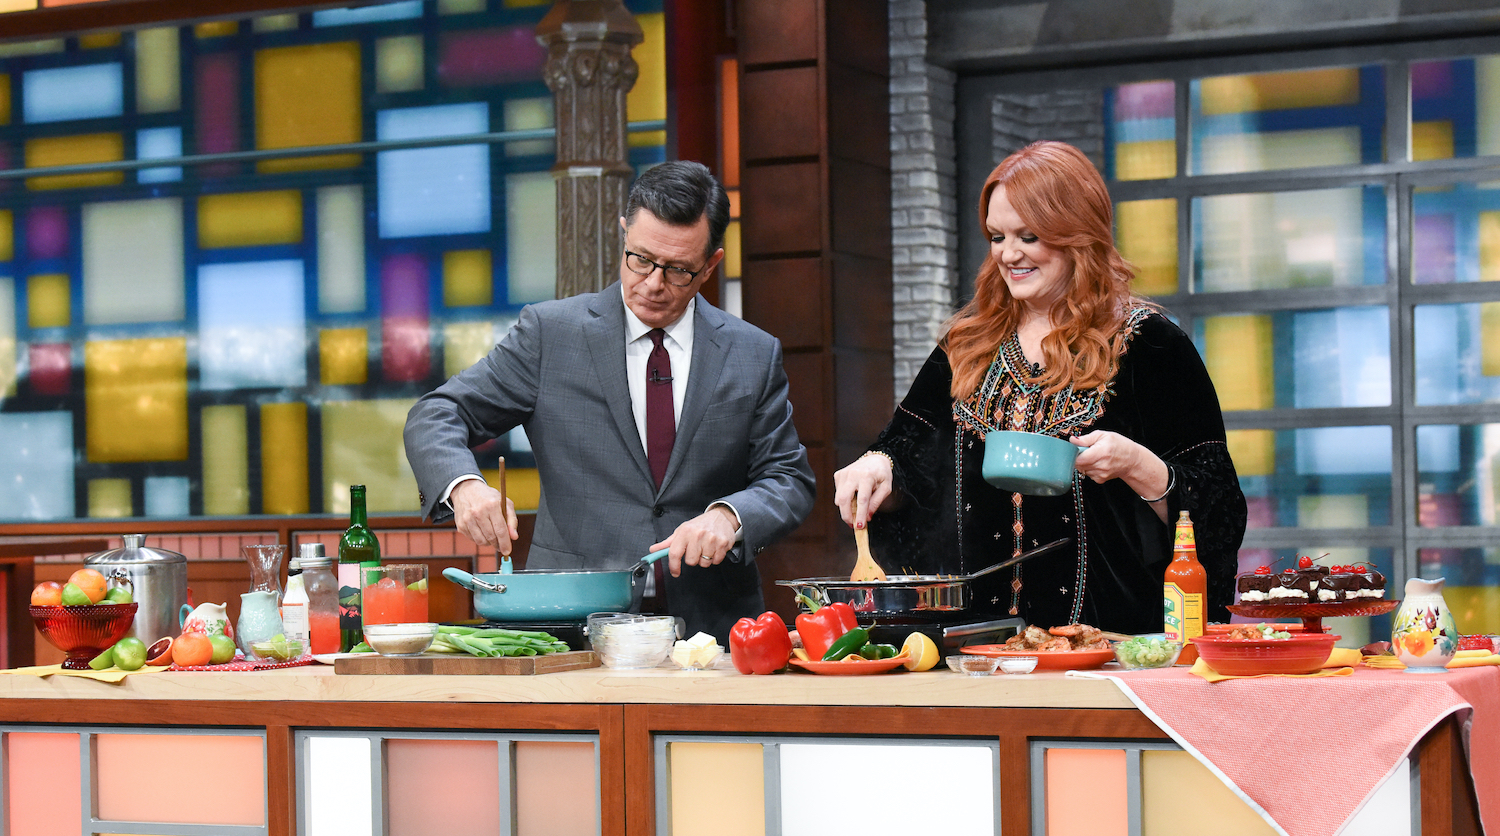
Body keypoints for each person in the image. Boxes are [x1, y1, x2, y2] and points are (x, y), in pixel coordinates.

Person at [833, 141, 1246, 633]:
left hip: (1112, 648)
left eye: (1029, 236)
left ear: (1078, 236)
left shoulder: (1150, 344)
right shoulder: (968, 344)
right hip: (978, 649)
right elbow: (909, 448)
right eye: (996, 236)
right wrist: (878, 463)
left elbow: (1219, 507)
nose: (1009, 255)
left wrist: (1138, 465)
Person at [405, 161, 815, 643]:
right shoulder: (550, 335)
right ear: (623, 234)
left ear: (711, 265)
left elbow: (788, 478)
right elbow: (436, 414)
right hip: (572, 626)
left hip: (714, 633)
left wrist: (731, 515)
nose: (653, 284)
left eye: (679, 270)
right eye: (640, 258)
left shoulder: (752, 352)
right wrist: (464, 487)